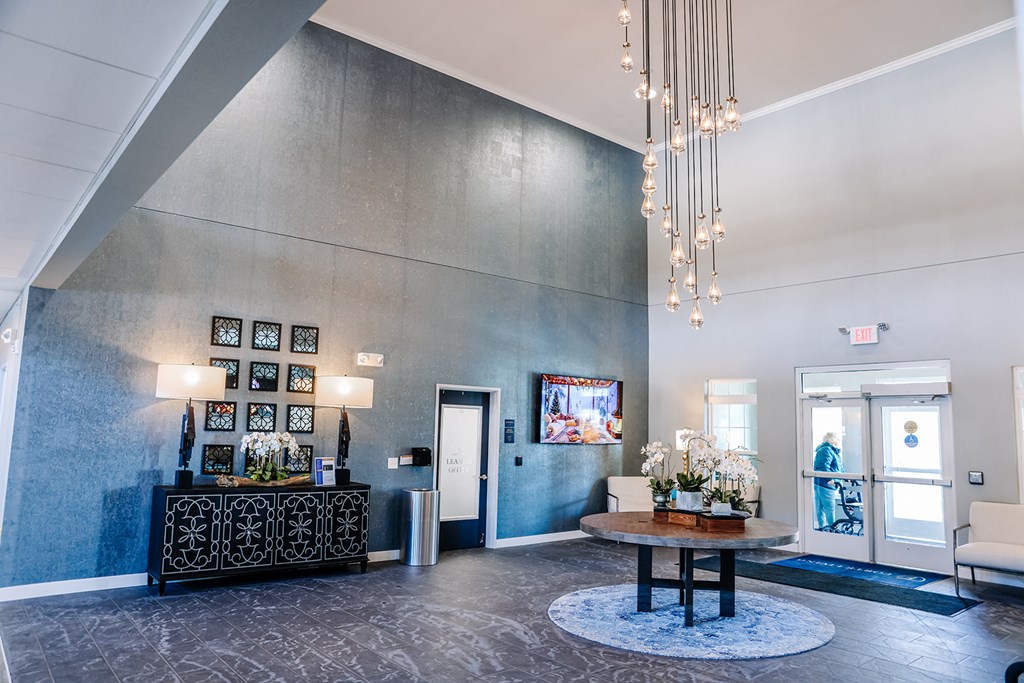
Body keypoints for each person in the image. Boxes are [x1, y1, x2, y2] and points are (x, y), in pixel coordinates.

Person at [813, 432, 843, 531]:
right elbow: (823, 466)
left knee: (821, 507)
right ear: (831, 440)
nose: (838, 441)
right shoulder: (826, 450)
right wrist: (829, 479)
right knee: (828, 508)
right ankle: (832, 528)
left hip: (822, 483)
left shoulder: (832, 451)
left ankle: (824, 527)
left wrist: (845, 476)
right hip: (825, 484)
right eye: (837, 439)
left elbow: (838, 467)